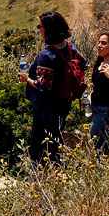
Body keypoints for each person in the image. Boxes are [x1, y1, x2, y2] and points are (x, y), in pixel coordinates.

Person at [19, 11, 86, 165]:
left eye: (40, 26)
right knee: (56, 137)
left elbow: (43, 86)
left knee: (39, 144)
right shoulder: (70, 47)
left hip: (47, 107)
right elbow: (83, 64)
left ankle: (44, 177)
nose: (39, 30)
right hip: (64, 101)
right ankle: (56, 169)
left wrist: (27, 79)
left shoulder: (47, 54)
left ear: (48, 29)